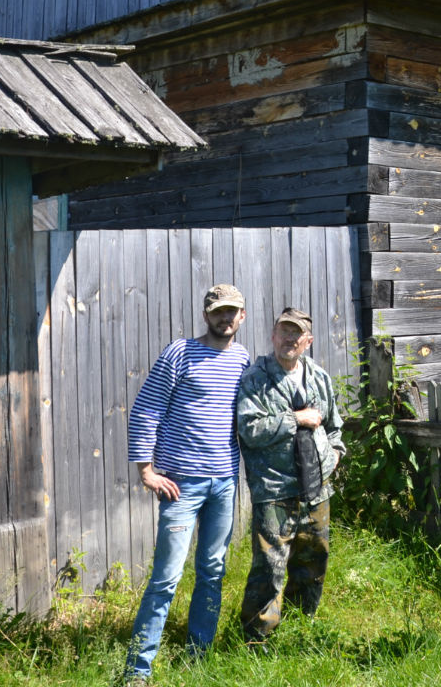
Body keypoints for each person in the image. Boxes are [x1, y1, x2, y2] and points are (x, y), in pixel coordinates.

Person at [123, 283, 251, 677]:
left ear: (242, 317)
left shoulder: (244, 360)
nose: (225, 318)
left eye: (232, 311)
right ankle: (137, 670)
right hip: (182, 484)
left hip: (225, 482)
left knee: (213, 571)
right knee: (166, 577)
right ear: (205, 314)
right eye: (218, 311)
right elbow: (145, 409)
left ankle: (199, 657)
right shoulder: (180, 353)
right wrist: (146, 470)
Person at [236, 307, 346, 644]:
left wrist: (335, 456)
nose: (289, 339)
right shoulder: (256, 378)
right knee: (270, 567)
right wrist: (295, 419)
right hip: (274, 489)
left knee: (314, 558)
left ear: (308, 341)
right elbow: (249, 428)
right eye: (284, 331)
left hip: (316, 488)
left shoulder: (318, 377)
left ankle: (302, 626)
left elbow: (334, 426)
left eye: (296, 334)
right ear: (273, 335)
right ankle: (257, 637)